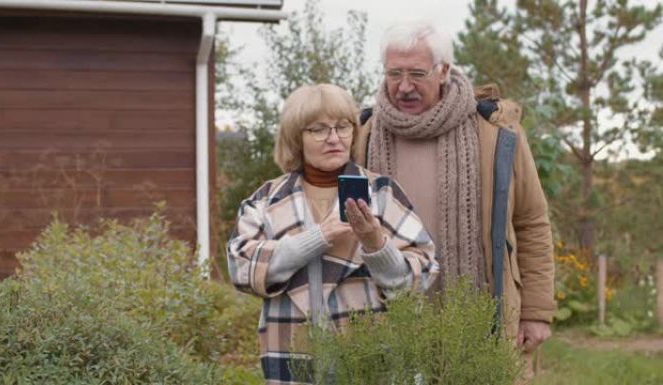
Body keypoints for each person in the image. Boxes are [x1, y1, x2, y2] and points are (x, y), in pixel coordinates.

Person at [352, 21, 555, 382]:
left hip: (480, 319)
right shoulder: (363, 134)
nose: (403, 86)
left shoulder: (496, 133)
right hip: (388, 320)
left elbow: (531, 221)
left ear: (444, 70)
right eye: (394, 73)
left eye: (417, 73)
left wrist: (536, 311)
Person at [227, 83, 438, 385]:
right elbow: (240, 268)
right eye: (318, 129)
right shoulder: (267, 199)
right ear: (295, 137)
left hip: (371, 357)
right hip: (292, 356)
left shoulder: (381, 193)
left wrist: (376, 245)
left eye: (343, 127)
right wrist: (318, 237)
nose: (334, 138)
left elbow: (417, 278)